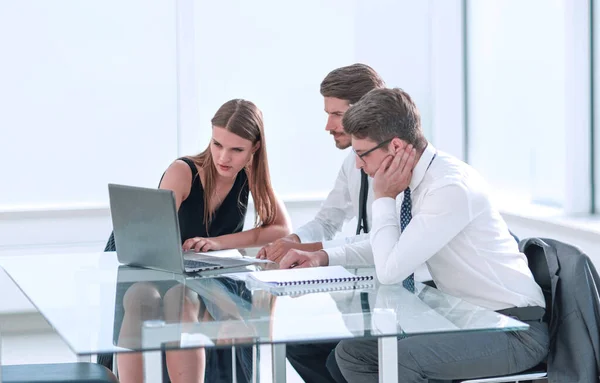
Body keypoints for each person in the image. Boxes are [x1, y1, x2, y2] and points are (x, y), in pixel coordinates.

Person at [327, 87, 548, 382]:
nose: (357, 164)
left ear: (394, 147)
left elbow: (390, 270)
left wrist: (382, 197)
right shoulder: (419, 182)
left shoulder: (448, 187)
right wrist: (324, 255)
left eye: (361, 154)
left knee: (404, 361)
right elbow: (393, 247)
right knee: (353, 354)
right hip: (464, 320)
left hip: (512, 328)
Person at [111, 98, 292, 383]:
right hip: (159, 267)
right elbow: (154, 236)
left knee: (180, 301)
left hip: (203, 277)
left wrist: (220, 242)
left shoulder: (249, 176)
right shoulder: (183, 171)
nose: (224, 157)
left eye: (236, 150)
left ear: (254, 148)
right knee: (140, 298)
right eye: (217, 144)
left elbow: (281, 228)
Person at [257, 63, 384, 267]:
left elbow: (384, 241)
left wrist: (309, 250)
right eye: (328, 114)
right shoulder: (351, 161)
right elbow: (328, 220)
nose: (328, 126)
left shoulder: (400, 162)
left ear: (365, 112)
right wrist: (293, 241)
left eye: (337, 115)